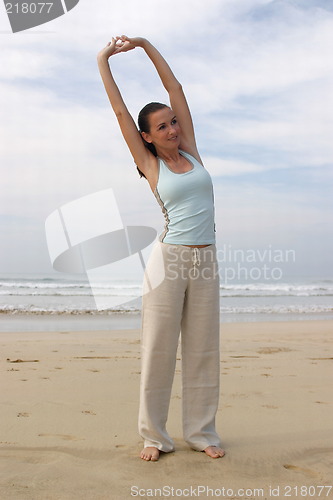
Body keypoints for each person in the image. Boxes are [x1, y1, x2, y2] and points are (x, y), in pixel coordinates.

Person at [97, 36, 225, 461]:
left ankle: (202, 433)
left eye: (174, 122)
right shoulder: (150, 164)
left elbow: (177, 90)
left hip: (205, 259)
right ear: (147, 138)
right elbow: (119, 111)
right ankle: (154, 436)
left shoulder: (191, 150)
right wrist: (104, 59)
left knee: (204, 349)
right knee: (158, 348)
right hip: (168, 261)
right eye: (163, 127)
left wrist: (145, 45)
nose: (172, 129)